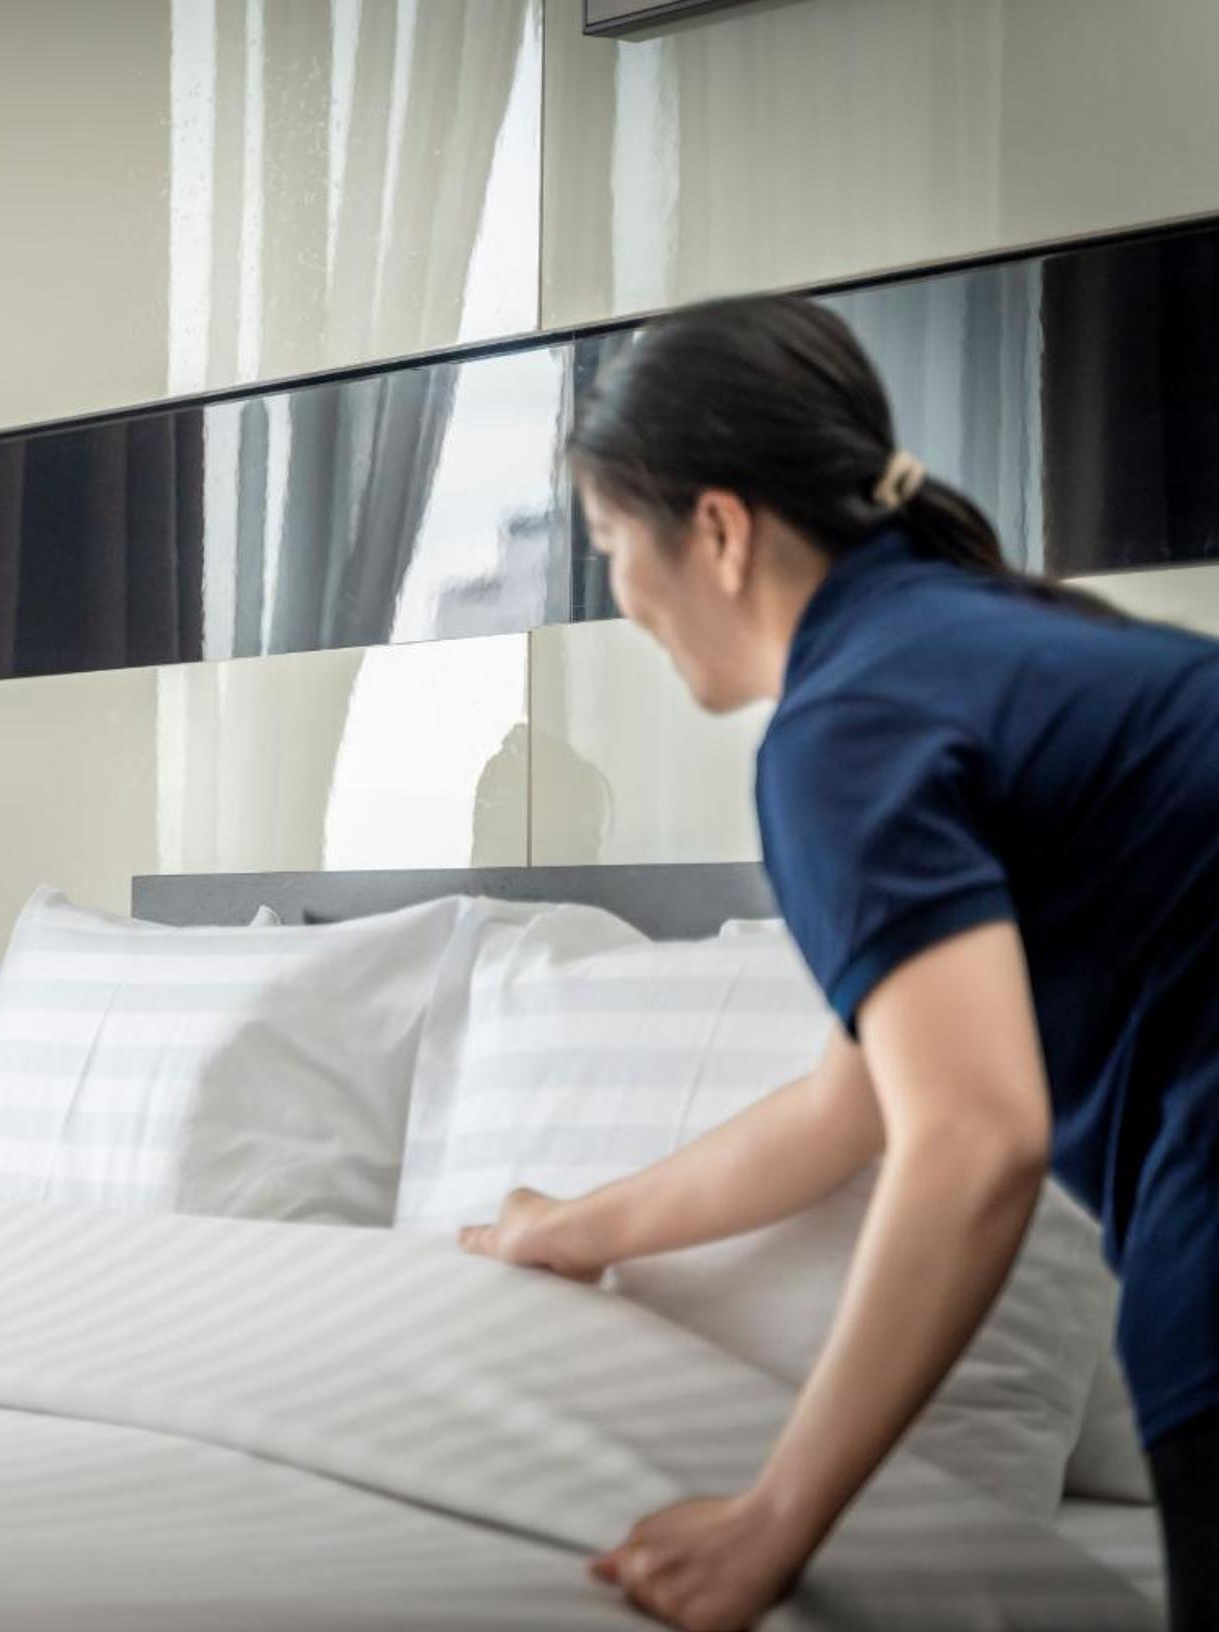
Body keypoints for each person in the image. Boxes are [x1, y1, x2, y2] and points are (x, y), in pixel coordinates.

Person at [460, 295, 1219, 1631]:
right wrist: (573, 1228)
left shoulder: (844, 729)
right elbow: (851, 1105)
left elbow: (970, 1141)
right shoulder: (1005, 644)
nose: (621, 596)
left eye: (610, 546)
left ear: (718, 529)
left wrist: (775, 1519)